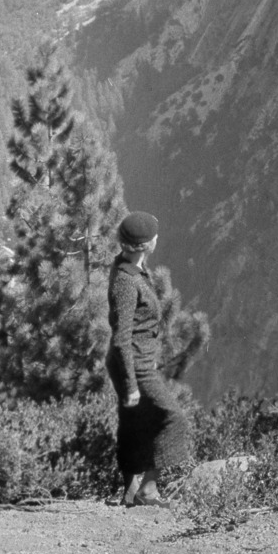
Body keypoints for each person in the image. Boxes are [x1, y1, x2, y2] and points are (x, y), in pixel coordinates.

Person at [106, 211, 190, 506]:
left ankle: (130, 490)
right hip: (133, 364)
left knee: (132, 423)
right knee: (173, 418)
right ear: (144, 245)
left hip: (134, 360)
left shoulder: (131, 269)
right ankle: (148, 489)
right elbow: (121, 336)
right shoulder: (127, 282)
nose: (157, 238)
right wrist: (131, 383)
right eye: (153, 236)